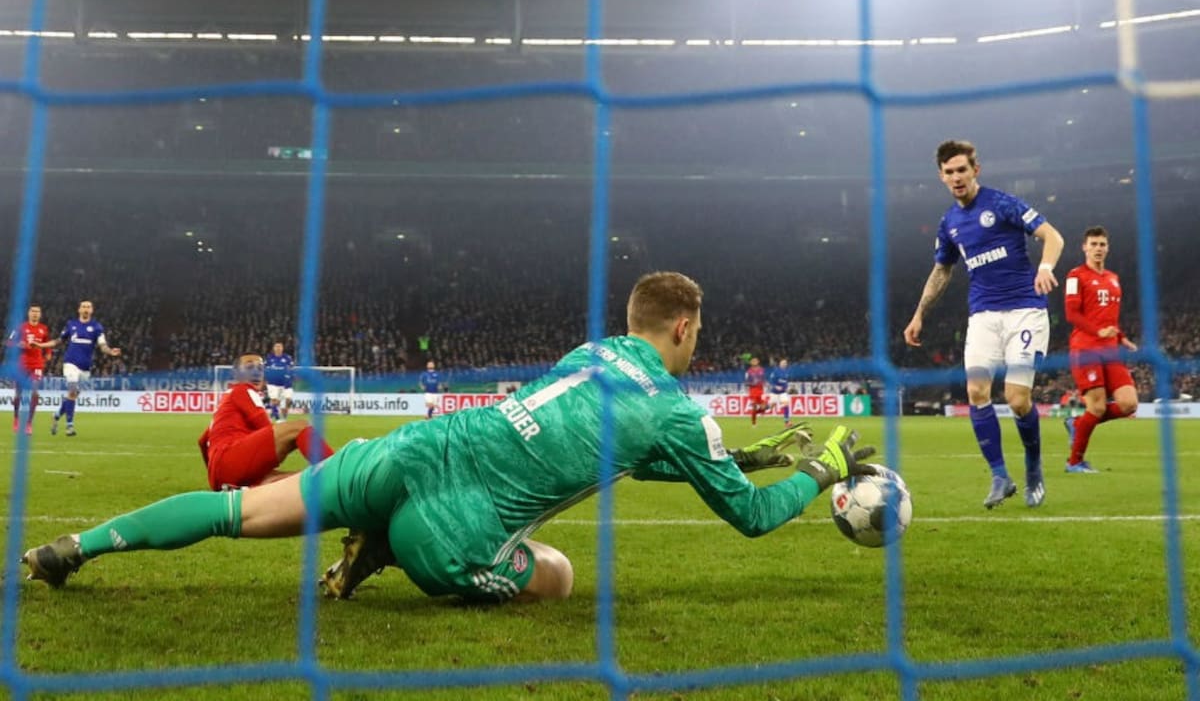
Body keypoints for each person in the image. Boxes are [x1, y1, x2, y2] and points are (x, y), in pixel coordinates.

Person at [22, 271, 876, 605]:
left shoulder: (588, 355)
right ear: (684, 328)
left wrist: (744, 454)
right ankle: (389, 549)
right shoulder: (677, 411)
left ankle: (76, 547)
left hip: (406, 452)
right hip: (453, 532)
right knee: (558, 574)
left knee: (234, 512)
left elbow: (620, 455)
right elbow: (751, 518)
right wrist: (823, 469)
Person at [903, 140, 1064, 509]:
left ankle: (1034, 467)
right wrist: (919, 313)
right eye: (949, 172)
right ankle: (1000, 476)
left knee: (1017, 399)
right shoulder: (949, 223)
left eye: (962, 169)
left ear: (975, 170)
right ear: (941, 177)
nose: (956, 177)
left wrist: (1045, 268)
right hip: (983, 317)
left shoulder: (1002, 204)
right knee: (976, 391)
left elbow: (1053, 236)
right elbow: (942, 270)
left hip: (1025, 310)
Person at [1062, 226, 1139, 473]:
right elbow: (1072, 314)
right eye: (1093, 244)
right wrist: (1097, 332)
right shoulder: (1075, 276)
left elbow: (1109, 318)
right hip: (1086, 349)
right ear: (1084, 247)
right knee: (1097, 407)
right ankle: (1074, 462)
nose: (1098, 248)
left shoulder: (1113, 278)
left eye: (1102, 244)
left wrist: (1122, 337)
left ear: (1108, 248)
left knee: (1129, 404)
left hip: (1111, 351)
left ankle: (1078, 423)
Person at [198, 353, 334, 491]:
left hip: (223, 473)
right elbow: (266, 428)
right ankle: (339, 472)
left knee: (297, 479)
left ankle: (240, 490)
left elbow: (203, 441)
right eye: (249, 367)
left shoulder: (225, 401)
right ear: (236, 373)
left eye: (260, 368)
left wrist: (216, 476)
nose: (256, 372)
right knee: (300, 427)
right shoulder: (243, 390)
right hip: (232, 460)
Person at [45, 300, 121, 437]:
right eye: (83, 307)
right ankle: (69, 426)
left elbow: (102, 345)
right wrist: (41, 346)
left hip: (85, 367)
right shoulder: (71, 324)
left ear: (92, 310)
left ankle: (56, 415)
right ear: (79, 309)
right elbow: (58, 341)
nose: (86, 309)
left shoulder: (97, 327)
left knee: (72, 395)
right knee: (72, 391)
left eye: (88, 307)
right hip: (70, 363)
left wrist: (110, 351)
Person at [5, 305, 53, 435]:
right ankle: (16, 419)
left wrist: (48, 353)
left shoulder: (44, 329)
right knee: (18, 394)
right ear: (29, 313)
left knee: (35, 393)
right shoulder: (20, 328)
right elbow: (9, 343)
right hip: (22, 365)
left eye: (37, 311)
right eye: (33, 311)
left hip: (37, 365)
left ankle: (28, 424)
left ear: (40, 314)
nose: (35, 313)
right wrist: (18, 345)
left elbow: (47, 344)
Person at [264, 341, 295, 421]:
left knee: (288, 401)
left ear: (282, 348)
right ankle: (278, 418)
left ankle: (282, 417)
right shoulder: (269, 358)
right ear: (274, 348)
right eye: (276, 346)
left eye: (280, 346)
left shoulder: (287, 358)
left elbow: (291, 369)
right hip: (273, 383)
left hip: (286, 384)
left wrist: (290, 377)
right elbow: (265, 369)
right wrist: (266, 379)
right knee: (274, 400)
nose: (278, 348)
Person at [765, 358, 792, 424]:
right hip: (775, 392)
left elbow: (785, 381)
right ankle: (764, 408)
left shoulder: (787, 372)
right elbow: (770, 381)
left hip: (783, 392)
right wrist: (775, 386)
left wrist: (786, 387)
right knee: (771, 406)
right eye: (783, 363)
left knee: (786, 404)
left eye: (785, 363)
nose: (784, 364)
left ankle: (787, 421)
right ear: (780, 364)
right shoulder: (776, 371)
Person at [744, 356, 766, 426]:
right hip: (753, 391)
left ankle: (754, 414)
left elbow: (763, 379)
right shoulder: (748, 371)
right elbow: (746, 382)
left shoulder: (762, 370)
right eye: (753, 361)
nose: (754, 362)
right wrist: (752, 383)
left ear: (758, 362)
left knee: (764, 407)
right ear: (751, 363)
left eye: (755, 361)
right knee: (754, 407)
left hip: (761, 391)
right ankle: (754, 423)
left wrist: (764, 383)